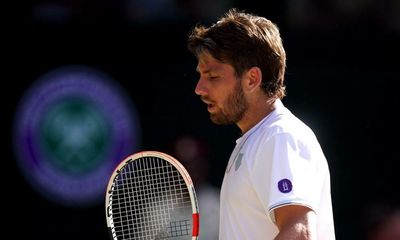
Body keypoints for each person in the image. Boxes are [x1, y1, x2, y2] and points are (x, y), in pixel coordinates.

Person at [187, 8, 335, 240]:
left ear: (252, 79)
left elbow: (300, 234)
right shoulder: (258, 140)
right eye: (200, 76)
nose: (199, 89)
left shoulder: (279, 137)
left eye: (213, 76)